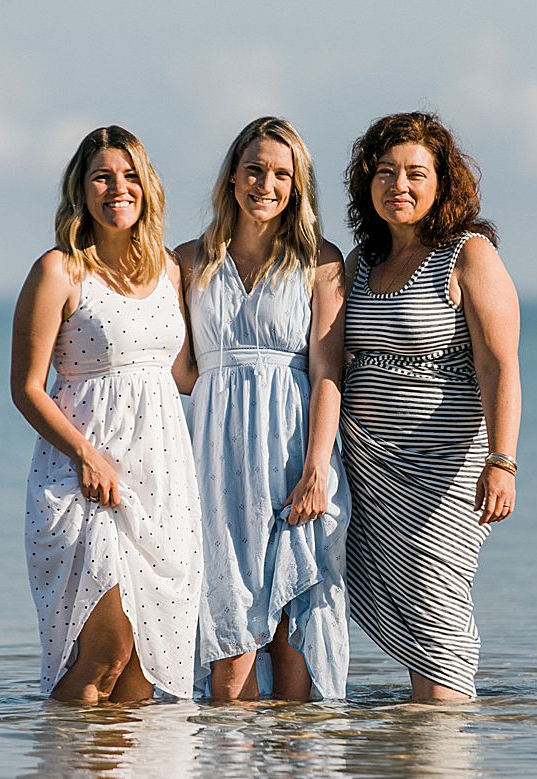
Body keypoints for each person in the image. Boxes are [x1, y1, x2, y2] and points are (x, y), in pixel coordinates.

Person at [11, 126, 202, 702]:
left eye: (129, 176)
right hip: (86, 480)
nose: (117, 188)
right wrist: (87, 457)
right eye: (102, 176)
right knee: (104, 655)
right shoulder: (59, 271)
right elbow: (26, 388)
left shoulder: (170, 272)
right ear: (81, 190)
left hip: (164, 483)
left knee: (144, 675)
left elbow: (187, 375)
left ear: (147, 187)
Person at [340, 111, 521, 701]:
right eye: (386, 172)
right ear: (367, 183)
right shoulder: (359, 263)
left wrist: (503, 460)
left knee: (437, 602)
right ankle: (410, 762)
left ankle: (447, 757)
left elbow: (499, 365)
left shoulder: (468, 255)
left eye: (416, 173)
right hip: (364, 466)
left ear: (442, 182)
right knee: (392, 598)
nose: (401, 185)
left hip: (440, 468)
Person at [176, 117, 350, 701]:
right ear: (232, 177)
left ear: (298, 185)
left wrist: (316, 471)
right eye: (254, 169)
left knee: (293, 624)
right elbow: (178, 368)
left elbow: (328, 374)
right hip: (215, 459)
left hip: (294, 451)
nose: (265, 184)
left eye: (282, 173)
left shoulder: (321, 261)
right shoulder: (188, 261)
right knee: (228, 635)